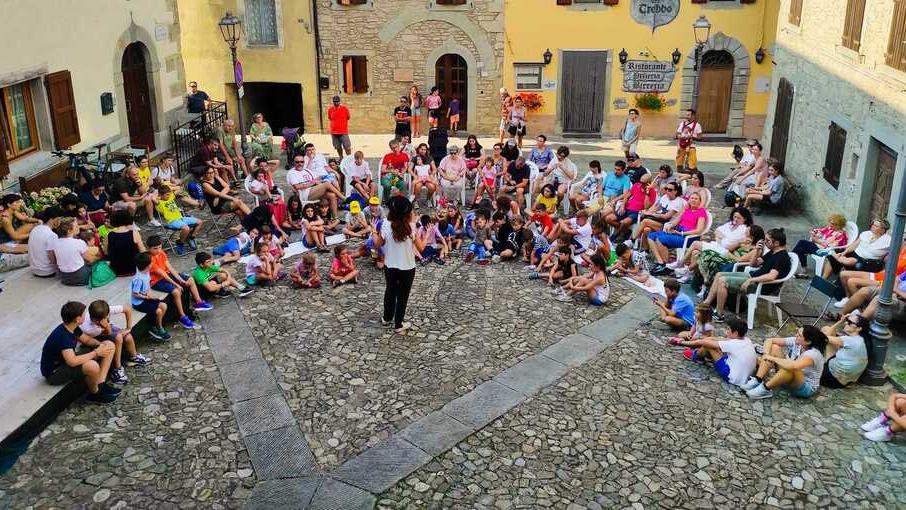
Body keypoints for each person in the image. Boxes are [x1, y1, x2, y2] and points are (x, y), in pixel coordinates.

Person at [702, 228, 791, 322]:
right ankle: (706, 304)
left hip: (760, 286)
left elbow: (771, 276)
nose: (765, 242)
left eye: (768, 240)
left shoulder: (781, 257)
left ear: (776, 243)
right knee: (719, 274)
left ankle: (719, 314)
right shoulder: (773, 252)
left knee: (723, 281)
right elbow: (753, 264)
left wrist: (751, 280)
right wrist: (757, 251)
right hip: (753, 277)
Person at [40, 302, 119, 404]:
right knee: (92, 366)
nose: (85, 315)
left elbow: (86, 340)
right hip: (54, 372)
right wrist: (96, 353)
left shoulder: (72, 327)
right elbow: (72, 361)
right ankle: (95, 394)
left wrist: (101, 345)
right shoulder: (64, 337)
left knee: (109, 345)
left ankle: (100, 384)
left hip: (66, 360)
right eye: (83, 314)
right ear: (77, 319)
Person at [373, 195, 425, 333]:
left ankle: (387, 317)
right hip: (407, 267)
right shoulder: (411, 227)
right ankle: (399, 324)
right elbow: (421, 248)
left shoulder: (385, 224)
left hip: (390, 265)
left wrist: (373, 231)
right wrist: (426, 234)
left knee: (390, 291)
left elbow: (377, 244)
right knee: (403, 295)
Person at [743, 325, 827, 400]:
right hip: (789, 377)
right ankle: (757, 379)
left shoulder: (813, 354)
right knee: (775, 347)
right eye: (797, 333)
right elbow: (770, 340)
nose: (796, 336)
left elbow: (794, 366)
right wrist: (766, 354)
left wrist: (772, 358)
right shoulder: (797, 341)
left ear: (808, 341)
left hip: (805, 387)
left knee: (790, 367)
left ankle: (765, 389)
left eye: (799, 335)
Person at [80, 299, 150, 384]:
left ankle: (133, 357)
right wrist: (106, 326)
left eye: (107, 317)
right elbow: (108, 333)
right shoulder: (88, 327)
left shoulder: (106, 310)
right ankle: (117, 368)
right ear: (96, 321)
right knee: (118, 337)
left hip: (106, 328)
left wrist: (128, 328)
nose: (107, 318)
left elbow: (127, 309)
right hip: (95, 337)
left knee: (128, 336)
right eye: (105, 318)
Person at [147, 234, 212, 325]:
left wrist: (181, 279)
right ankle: (182, 316)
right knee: (176, 291)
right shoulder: (150, 259)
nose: (158, 250)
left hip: (167, 274)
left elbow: (170, 268)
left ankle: (198, 302)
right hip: (157, 281)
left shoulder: (161, 253)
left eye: (160, 247)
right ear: (149, 248)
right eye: (155, 248)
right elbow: (163, 275)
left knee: (190, 279)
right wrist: (177, 284)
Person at [677, 318, 757, 387]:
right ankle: (706, 356)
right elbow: (720, 340)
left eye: (728, 329)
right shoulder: (746, 340)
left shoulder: (733, 344)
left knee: (709, 346)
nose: (726, 331)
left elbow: (705, 342)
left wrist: (683, 343)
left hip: (731, 377)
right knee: (716, 346)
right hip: (743, 377)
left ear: (735, 333)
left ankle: (695, 356)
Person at [648, 192, 709, 274]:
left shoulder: (701, 211)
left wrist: (683, 233)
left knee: (661, 239)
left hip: (688, 237)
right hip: (677, 232)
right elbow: (676, 221)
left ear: (699, 201)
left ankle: (666, 267)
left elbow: (699, 230)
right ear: (689, 200)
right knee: (651, 236)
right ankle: (661, 262)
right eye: (692, 198)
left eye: (696, 199)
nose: (693, 200)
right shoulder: (687, 209)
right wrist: (670, 225)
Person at [822, 219, 890, 279]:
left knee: (850, 261)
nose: (872, 226)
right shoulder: (866, 234)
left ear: (883, 230)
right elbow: (854, 245)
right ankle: (823, 278)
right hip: (855, 254)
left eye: (876, 226)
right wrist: (844, 252)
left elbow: (892, 253)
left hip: (868, 261)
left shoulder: (887, 240)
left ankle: (838, 257)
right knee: (836, 253)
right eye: (873, 224)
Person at [820, 312, 868, 388]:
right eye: (846, 320)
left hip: (833, 378)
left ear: (859, 328)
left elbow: (823, 337)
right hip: (846, 380)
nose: (845, 323)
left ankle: (822, 361)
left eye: (849, 322)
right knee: (827, 329)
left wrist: (839, 322)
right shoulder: (861, 340)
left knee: (825, 333)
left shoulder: (847, 340)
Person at [131, 252, 171, 340]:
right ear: (148, 265)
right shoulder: (138, 279)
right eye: (151, 262)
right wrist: (147, 297)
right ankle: (158, 328)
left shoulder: (146, 272)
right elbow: (134, 293)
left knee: (164, 306)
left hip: (147, 297)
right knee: (159, 311)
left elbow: (147, 286)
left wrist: (151, 295)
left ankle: (157, 324)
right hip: (139, 303)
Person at [606, 173, 655, 243]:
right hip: (627, 208)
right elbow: (627, 196)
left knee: (625, 222)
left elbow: (646, 207)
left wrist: (647, 193)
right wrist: (623, 206)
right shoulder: (636, 185)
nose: (641, 184)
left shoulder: (652, 192)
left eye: (643, 183)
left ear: (648, 183)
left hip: (637, 212)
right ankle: (626, 231)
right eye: (640, 181)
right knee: (608, 218)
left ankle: (616, 235)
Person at [155, 186, 202, 256]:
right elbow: (152, 197)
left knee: (199, 222)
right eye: (166, 195)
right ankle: (180, 243)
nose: (169, 196)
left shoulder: (171, 197)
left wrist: (170, 190)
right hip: (171, 221)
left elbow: (179, 188)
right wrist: (158, 195)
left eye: (169, 194)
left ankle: (191, 237)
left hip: (181, 218)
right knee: (186, 228)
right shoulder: (159, 203)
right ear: (161, 195)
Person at [53, 217, 100, 286]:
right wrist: (100, 258)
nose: (78, 227)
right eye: (76, 226)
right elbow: (91, 259)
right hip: (80, 277)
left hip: (64, 278)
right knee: (99, 265)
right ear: (69, 231)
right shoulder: (79, 242)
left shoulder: (55, 242)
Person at [105, 209, 145, 276]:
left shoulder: (109, 235)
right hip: (133, 269)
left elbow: (106, 252)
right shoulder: (134, 233)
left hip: (116, 270)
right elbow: (142, 251)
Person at [28, 210, 61, 277]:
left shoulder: (35, 229)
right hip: (47, 271)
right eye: (58, 219)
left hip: (34, 270)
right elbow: (52, 258)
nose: (59, 222)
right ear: (52, 219)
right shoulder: (52, 235)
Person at [675, 108, 702, 173]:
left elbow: (700, 137)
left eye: (688, 115)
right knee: (680, 156)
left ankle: (692, 170)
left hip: (691, 145)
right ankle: (680, 169)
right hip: (682, 143)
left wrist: (692, 137)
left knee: (692, 157)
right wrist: (679, 136)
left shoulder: (697, 125)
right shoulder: (682, 124)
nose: (686, 116)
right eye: (686, 115)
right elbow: (678, 133)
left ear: (693, 116)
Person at [327, 95, 352, 159]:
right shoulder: (330, 110)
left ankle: (349, 158)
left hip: (343, 132)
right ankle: (341, 157)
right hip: (334, 132)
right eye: (334, 102)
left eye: (337, 102)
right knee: (337, 147)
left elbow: (348, 117)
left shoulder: (344, 109)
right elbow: (330, 118)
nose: (336, 103)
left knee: (347, 147)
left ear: (339, 101)